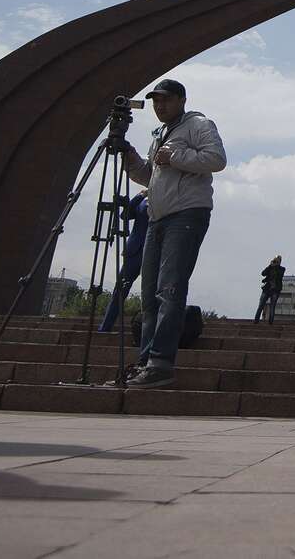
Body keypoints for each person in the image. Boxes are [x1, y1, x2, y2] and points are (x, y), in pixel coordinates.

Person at [116, 78, 226, 389]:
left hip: (187, 214)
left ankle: (161, 363)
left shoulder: (199, 124)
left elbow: (217, 160)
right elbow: (151, 176)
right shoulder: (160, 135)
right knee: (150, 294)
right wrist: (131, 158)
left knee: (170, 290)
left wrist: (174, 157)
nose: (159, 106)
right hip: (157, 217)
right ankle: (145, 362)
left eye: (165, 100)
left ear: (181, 100)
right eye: (155, 101)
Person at [98, 193, 147, 334]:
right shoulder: (142, 200)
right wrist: (138, 196)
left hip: (154, 252)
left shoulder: (167, 195)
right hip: (134, 251)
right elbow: (125, 215)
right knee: (120, 289)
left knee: (152, 291)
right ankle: (105, 326)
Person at [255, 255, 285, 324]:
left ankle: (270, 322)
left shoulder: (282, 269)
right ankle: (256, 320)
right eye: (275, 260)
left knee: (272, 306)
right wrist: (270, 266)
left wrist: (276, 266)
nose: (276, 262)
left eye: (278, 260)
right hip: (267, 289)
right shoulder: (270, 267)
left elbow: (280, 276)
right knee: (261, 305)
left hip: (275, 290)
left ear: (280, 262)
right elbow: (263, 273)